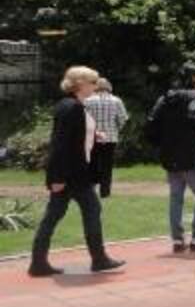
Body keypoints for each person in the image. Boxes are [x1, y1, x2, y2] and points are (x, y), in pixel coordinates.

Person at [28, 67, 125, 277]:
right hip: (71, 176)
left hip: (74, 174)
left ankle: (39, 263)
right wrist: (56, 178)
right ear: (80, 84)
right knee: (84, 212)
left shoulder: (73, 106)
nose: (95, 85)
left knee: (58, 215)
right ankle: (98, 259)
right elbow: (60, 145)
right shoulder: (71, 108)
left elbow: (74, 139)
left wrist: (93, 135)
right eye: (92, 82)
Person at [146, 63, 195, 253]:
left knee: (175, 199)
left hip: (170, 157)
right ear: (194, 78)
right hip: (192, 157)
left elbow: (151, 124)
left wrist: (162, 144)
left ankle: (177, 240)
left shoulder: (164, 99)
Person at [83, 77, 127, 198]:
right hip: (110, 138)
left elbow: (83, 119)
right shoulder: (116, 100)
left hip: (92, 137)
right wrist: (116, 129)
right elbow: (123, 119)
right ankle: (105, 192)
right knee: (107, 165)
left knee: (92, 163)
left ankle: (91, 190)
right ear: (109, 87)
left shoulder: (88, 100)